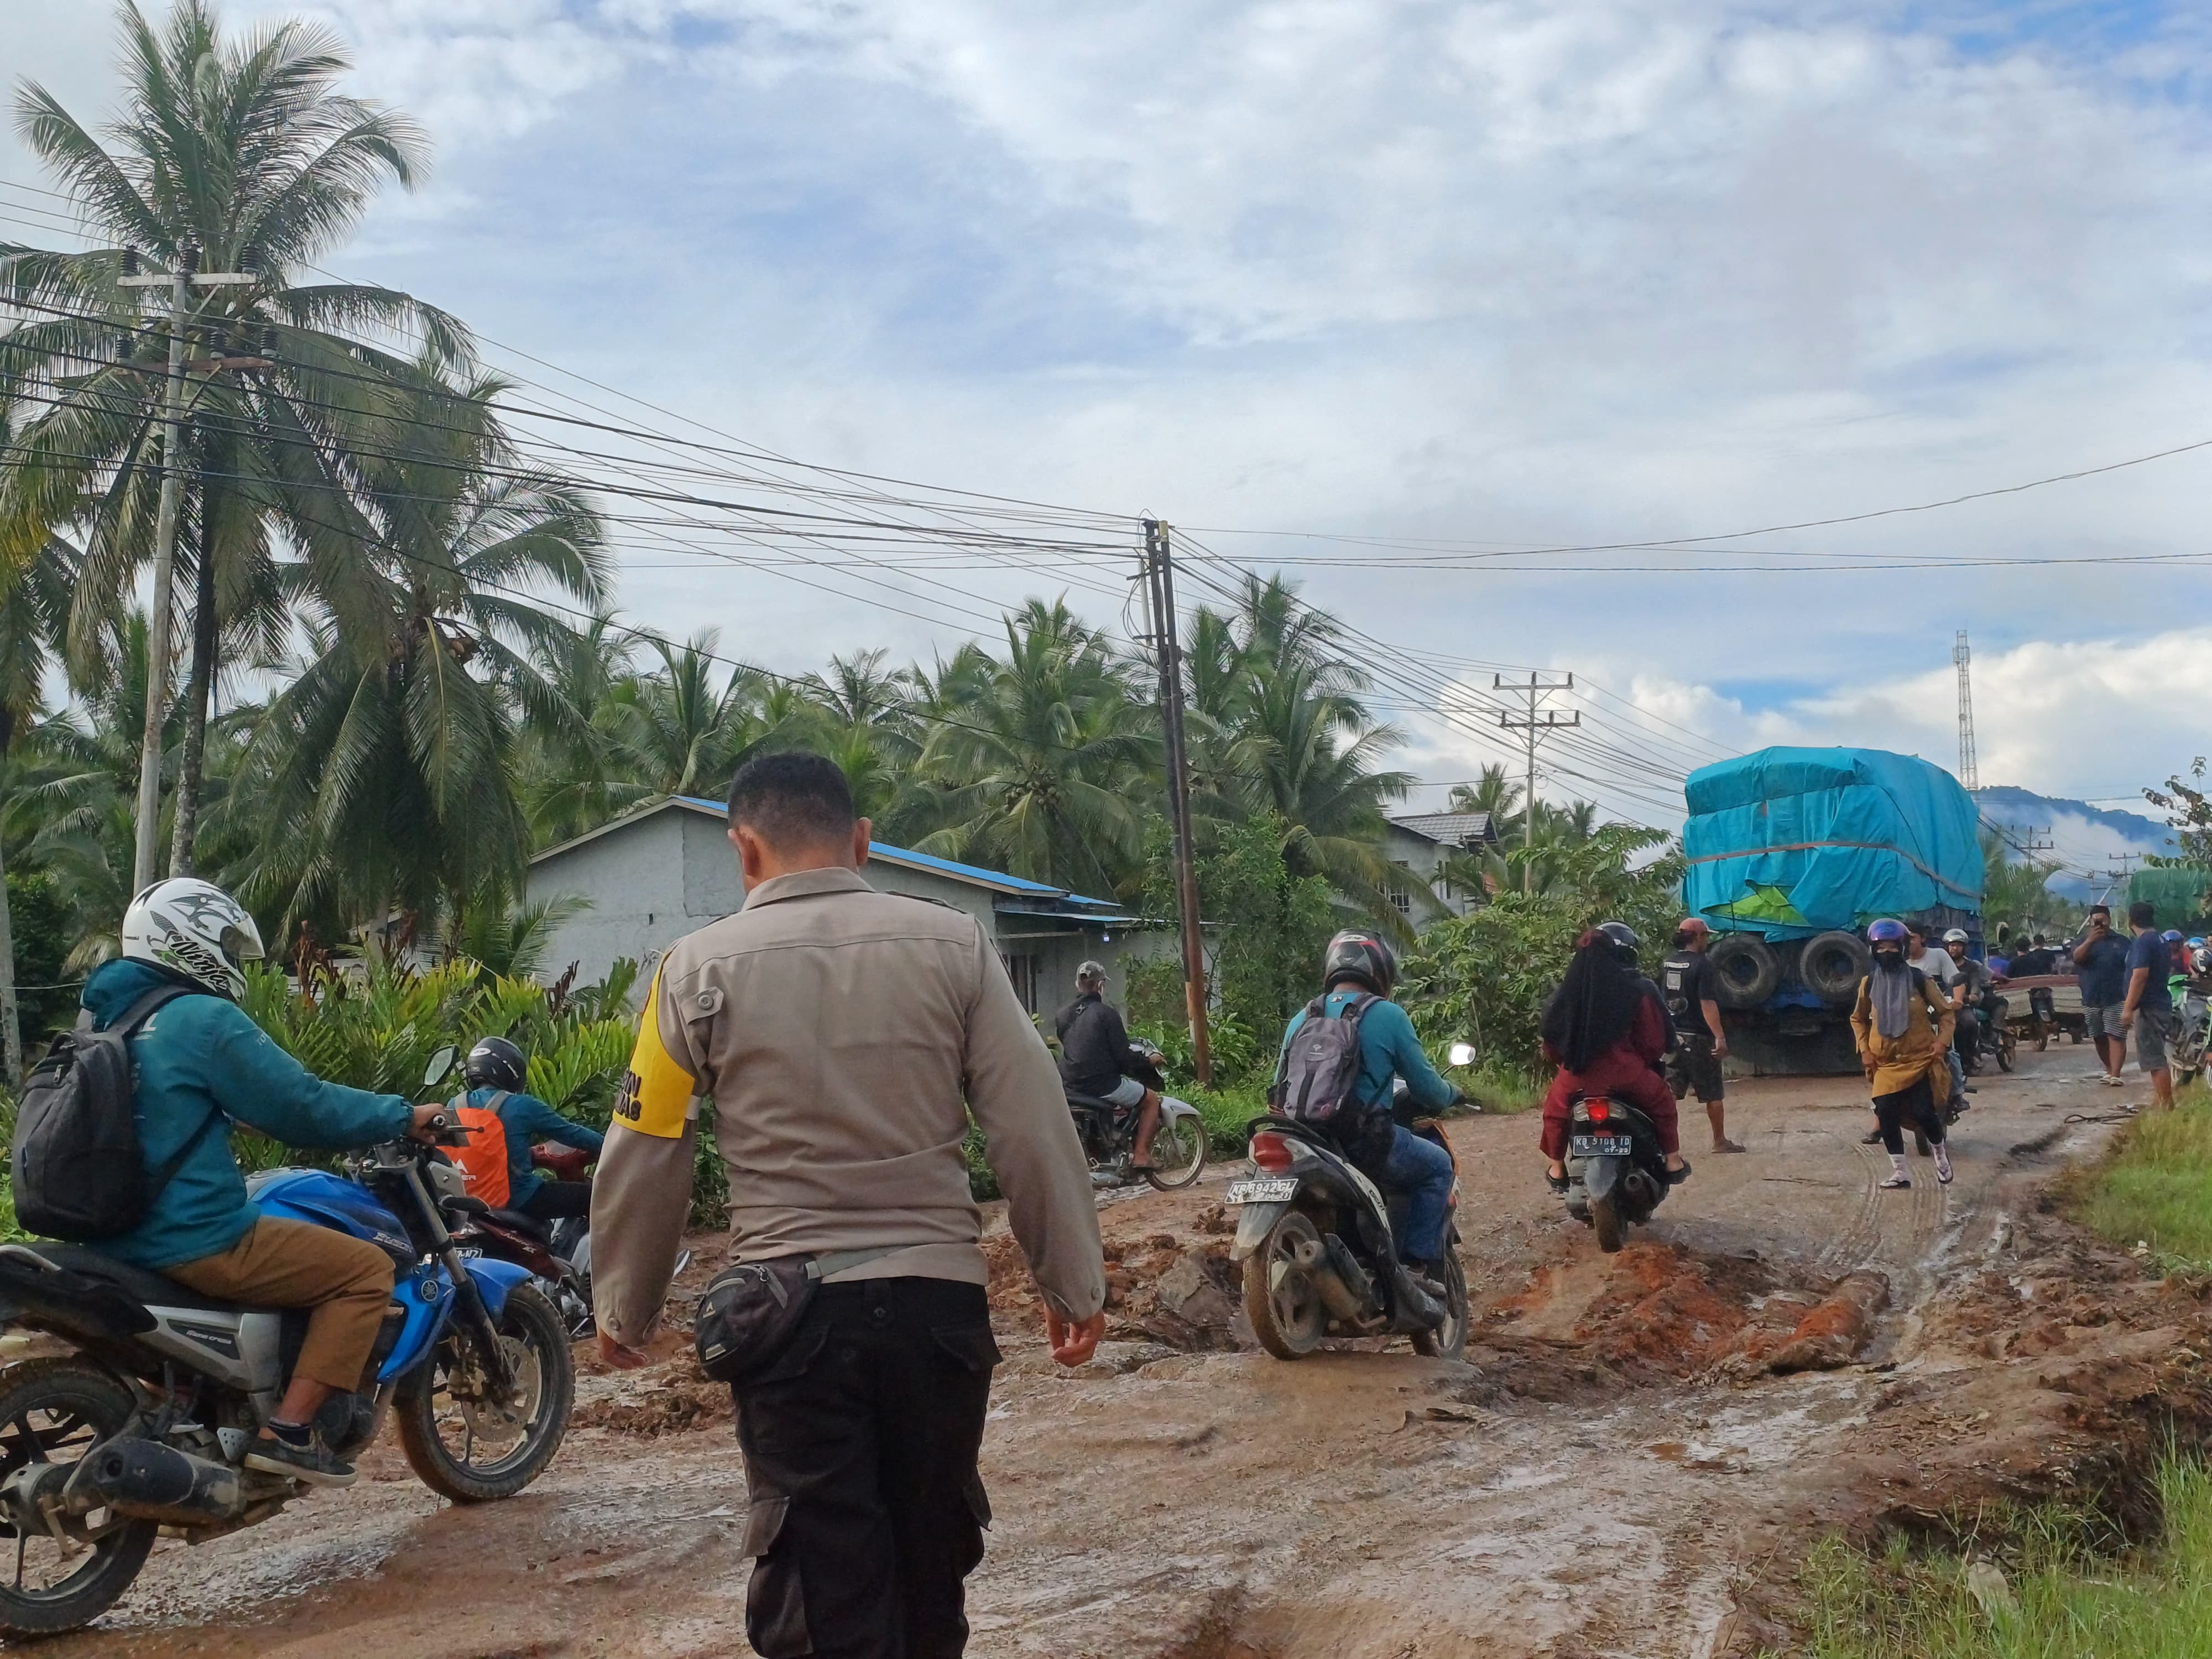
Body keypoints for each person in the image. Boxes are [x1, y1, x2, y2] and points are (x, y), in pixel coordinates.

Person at [590, 752, 1105, 1659]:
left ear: (743, 852)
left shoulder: (693, 970)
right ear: (862, 842)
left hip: (789, 1324)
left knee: (825, 1595)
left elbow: (648, 1147)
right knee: (929, 1571)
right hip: (939, 1316)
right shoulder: (955, 945)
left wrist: (623, 1306)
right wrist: (1074, 1282)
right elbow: (1031, 1122)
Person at [87, 878, 445, 1486]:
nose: (230, 955)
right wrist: (400, 1115)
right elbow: (304, 1103)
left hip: (113, 1238)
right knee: (363, 1272)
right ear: (188, 940)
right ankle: (289, 1431)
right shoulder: (200, 1017)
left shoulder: (111, 1022)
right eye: (223, 940)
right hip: (194, 1237)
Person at [1274, 931, 1458, 1306]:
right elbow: (1428, 1090)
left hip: (1305, 1141)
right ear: (1380, 969)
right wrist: (1452, 1093)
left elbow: (1277, 1088)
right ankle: (1416, 1267)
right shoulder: (1388, 1015)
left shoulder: (1302, 1017)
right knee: (1438, 1166)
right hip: (1363, 1142)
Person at [1539, 928, 1687, 1191]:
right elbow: (1652, 1041)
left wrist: (1565, 1061)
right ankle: (1673, 1162)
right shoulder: (1634, 989)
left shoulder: (1569, 992)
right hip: (1626, 1073)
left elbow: (1551, 1038)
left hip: (1576, 1076)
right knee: (1663, 1102)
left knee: (1555, 1112)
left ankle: (1557, 1167)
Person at [1850, 918, 1957, 1190]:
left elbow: (1946, 1013)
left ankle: (1941, 1157)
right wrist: (1864, 1050)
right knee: (1885, 1112)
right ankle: (1900, 1173)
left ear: (1902, 948)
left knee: (1924, 1113)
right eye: (1881, 947)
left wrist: (1942, 1044)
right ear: (1873, 950)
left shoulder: (1920, 980)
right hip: (1885, 1063)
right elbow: (1858, 1019)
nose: (1887, 952)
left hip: (1919, 1060)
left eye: (1892, 947)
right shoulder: (1868, 982)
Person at [454, 1034, 604, 1222]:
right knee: (600, 1198)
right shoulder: (522, 1105)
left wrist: (530, 1156)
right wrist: (610, 1147)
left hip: (464, 1203)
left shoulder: (454, 1104)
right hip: (520, 1200)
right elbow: (575, 1135)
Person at [1053, 962, 1161, 1170]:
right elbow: (1124, 1058)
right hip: (1100, 1084)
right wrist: (1148, 1061)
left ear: (1078, 984)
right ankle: (1141, 1155)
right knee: (1151, 1099)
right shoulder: (1107, 1014)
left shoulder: (1063, 1015)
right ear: (1101, 985)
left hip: (1068, 1083)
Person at [1659, 917, 1745, 1155]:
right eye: (1706, 936)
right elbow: (1707, 1003)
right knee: (1713, 1092)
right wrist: (1720, 1037)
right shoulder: (1702, 965)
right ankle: (1719, 1141)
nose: (1707, 940)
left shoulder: (1668, 963)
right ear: (1697, 937)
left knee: (1669, 1093)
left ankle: (1662, 1145)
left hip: (1673, 1037)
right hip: (1699, 1037)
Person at [2120, 900, 2177, 1113]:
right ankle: (2161, 1099)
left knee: (2154, 1059)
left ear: (2131, 920)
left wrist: (2128, 1008)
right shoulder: (2160, 940)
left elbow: (2140, 976)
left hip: (2149, 1008)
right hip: (2160, 1002)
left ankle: (2167, 1105)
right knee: (2156, 1056)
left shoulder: (2143, 942)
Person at [2072, 904, 2133, 1087]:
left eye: (2103, 920)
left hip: (2116, 996)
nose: (2100, 924)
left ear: (2109, 920)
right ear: (2090, 922)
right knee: (2098, 1036)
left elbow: (2131, 967)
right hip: (2091, 996)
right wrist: (2091, 940)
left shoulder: (2122, 942)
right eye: (2096, 921)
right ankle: (2108, 1069)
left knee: (2116, 1035)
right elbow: (2077, 958)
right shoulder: (2082, 941)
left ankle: (2116, 1074)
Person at [1943, 928, 1994, 1076]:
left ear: (1964, 947)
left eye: (1958, 945)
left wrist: (1973, 994)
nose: (1954, 948)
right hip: (1941, 1005)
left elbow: (1975, 982)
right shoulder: (1942, 963)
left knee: (1969, 1023)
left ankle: (1971, 1055)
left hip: (1962, 1005)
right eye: (1952, 945)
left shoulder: (1971, 966)